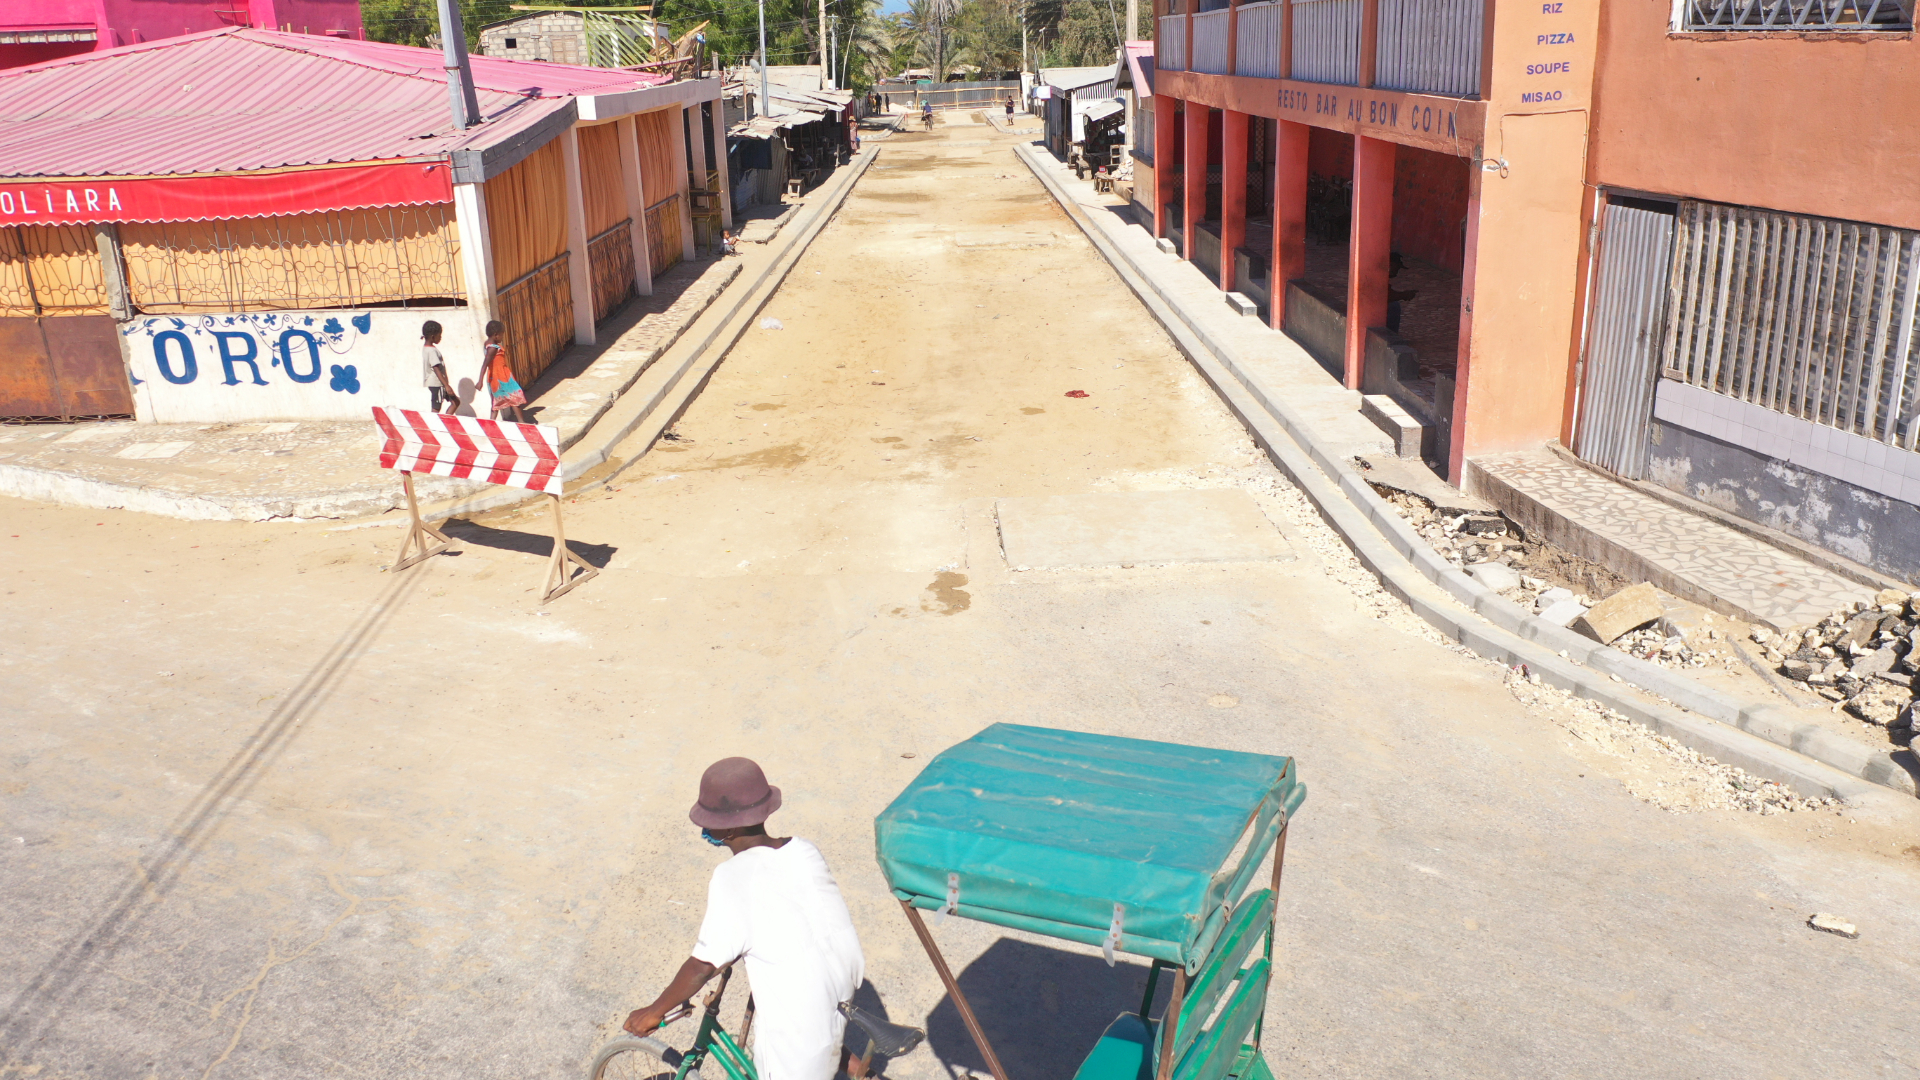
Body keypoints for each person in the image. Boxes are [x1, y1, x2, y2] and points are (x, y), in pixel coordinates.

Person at [624, 758, 864, 1080]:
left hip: (800, 1022)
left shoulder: (732, 876)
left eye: (709, 821)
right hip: (842, 989)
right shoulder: (804, 850)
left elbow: (702, 968)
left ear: (730, 827)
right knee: (821, 1034)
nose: (705, 829)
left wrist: (653, 1013)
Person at [481, 319, 529, 424]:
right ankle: (522, 422)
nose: (502, 338)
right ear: (496, 335)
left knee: (496, 402)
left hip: (495, 377)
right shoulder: (493, 348)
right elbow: (485, 364)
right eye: (502, 335)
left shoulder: (487, 344)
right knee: (514, 398)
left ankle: (491, 424)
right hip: (501, 377)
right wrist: (479, 381)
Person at [421, 320, 456, 414]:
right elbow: (436, 369)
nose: (440, 338)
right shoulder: (432, 351)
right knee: (436, 409)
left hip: (437, 383)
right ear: (433, 336)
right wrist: (446, 385)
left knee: (455, 402)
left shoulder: (426, 348)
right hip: (438, 384)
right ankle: (435, 426)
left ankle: (445, 423)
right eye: (439, 335)